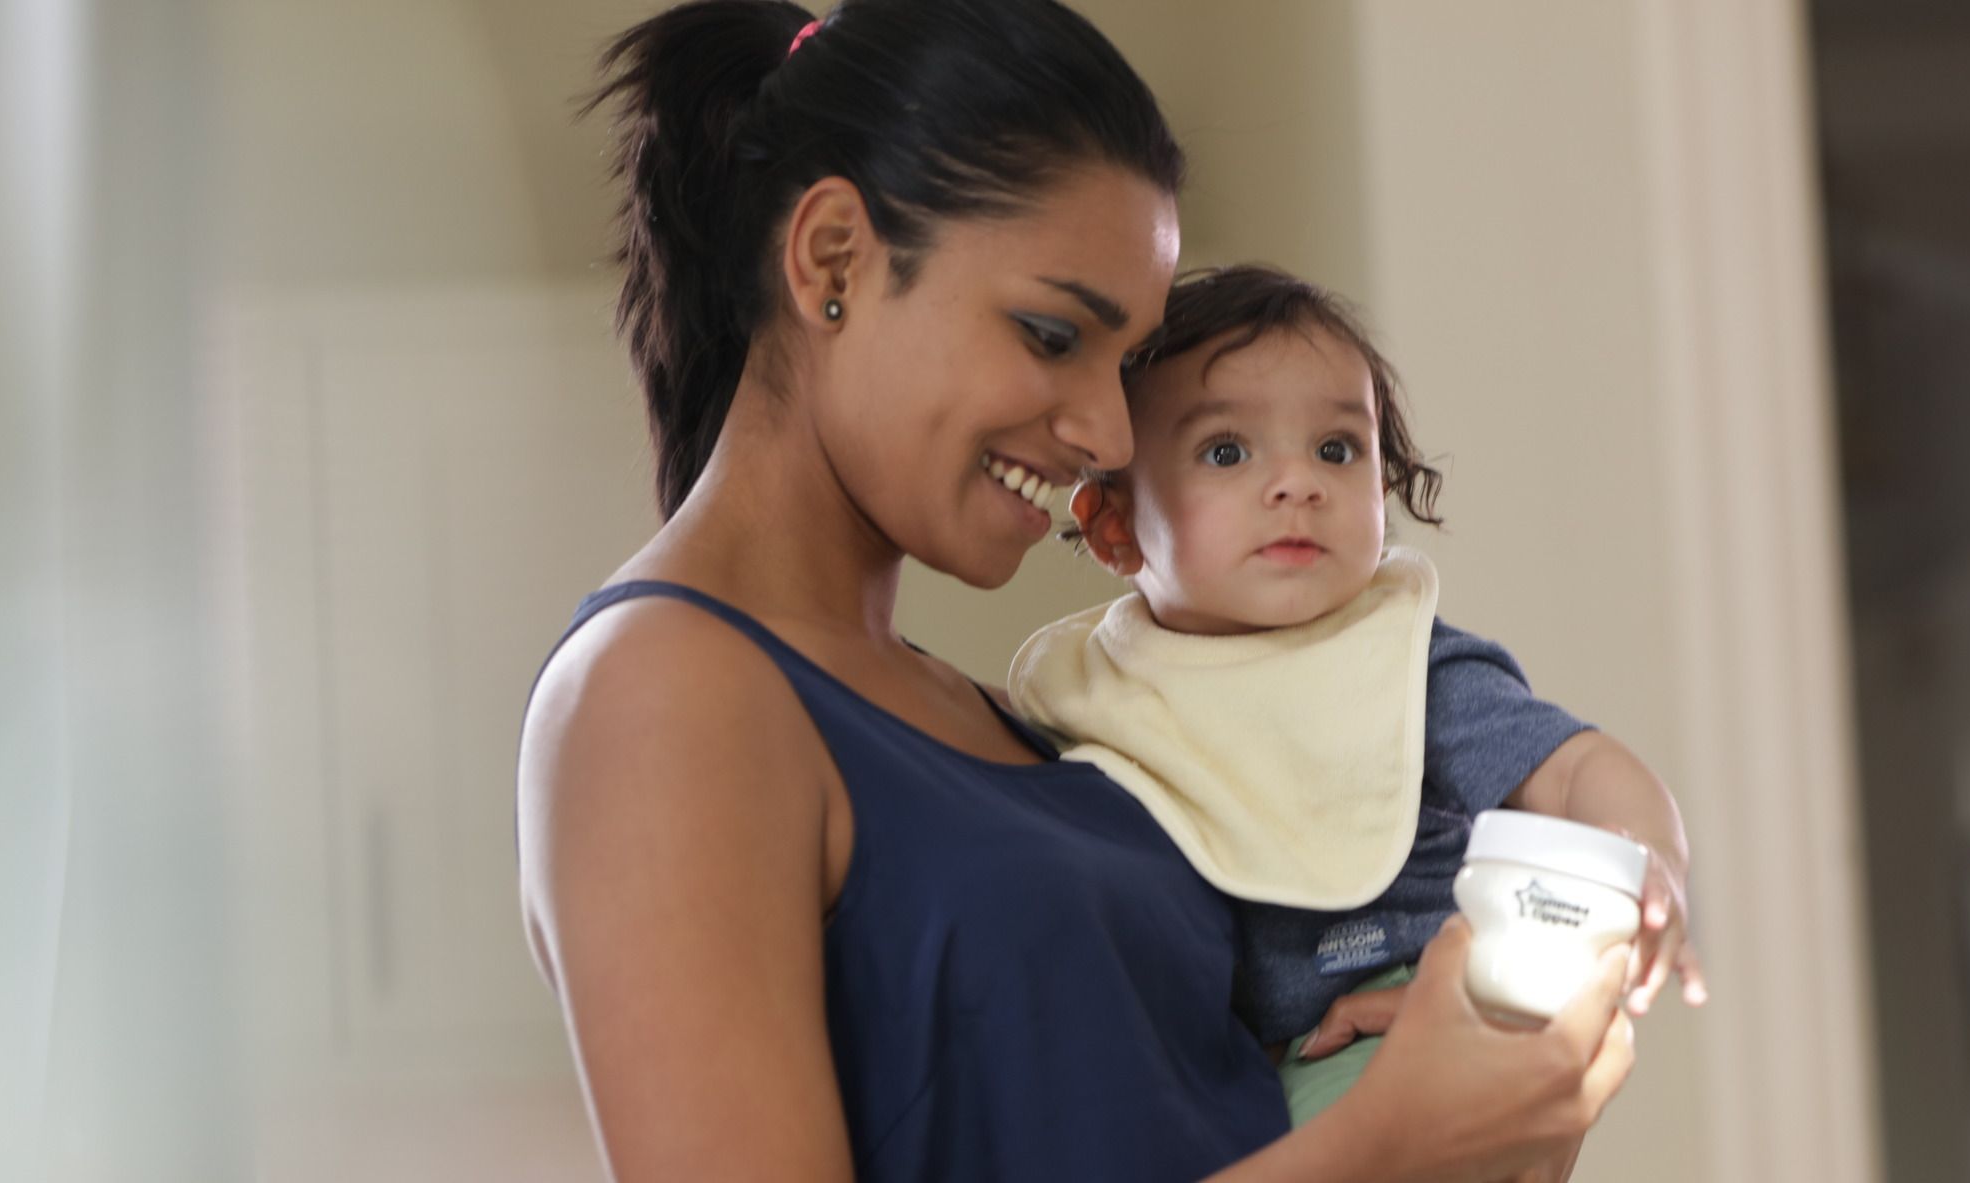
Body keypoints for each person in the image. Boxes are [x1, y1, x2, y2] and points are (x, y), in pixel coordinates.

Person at [515, 2, 1636, 1179]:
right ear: (833, 257)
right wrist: (1386, 1142)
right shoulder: (658, 696)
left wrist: (1397, 1058)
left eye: (1124, 360)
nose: (1107, 433)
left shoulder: (1006, 715)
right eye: (1052, 334)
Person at [1009, 264, 1709, 1126]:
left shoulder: (1403, 668)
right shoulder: (1098, 693)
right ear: (1115, 523)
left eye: (1336, 449)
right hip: (1216, 1051)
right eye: (1227, 451)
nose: (1298, 482)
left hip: (1399, 1004)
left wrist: (1647, 861)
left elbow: (1573, 769)